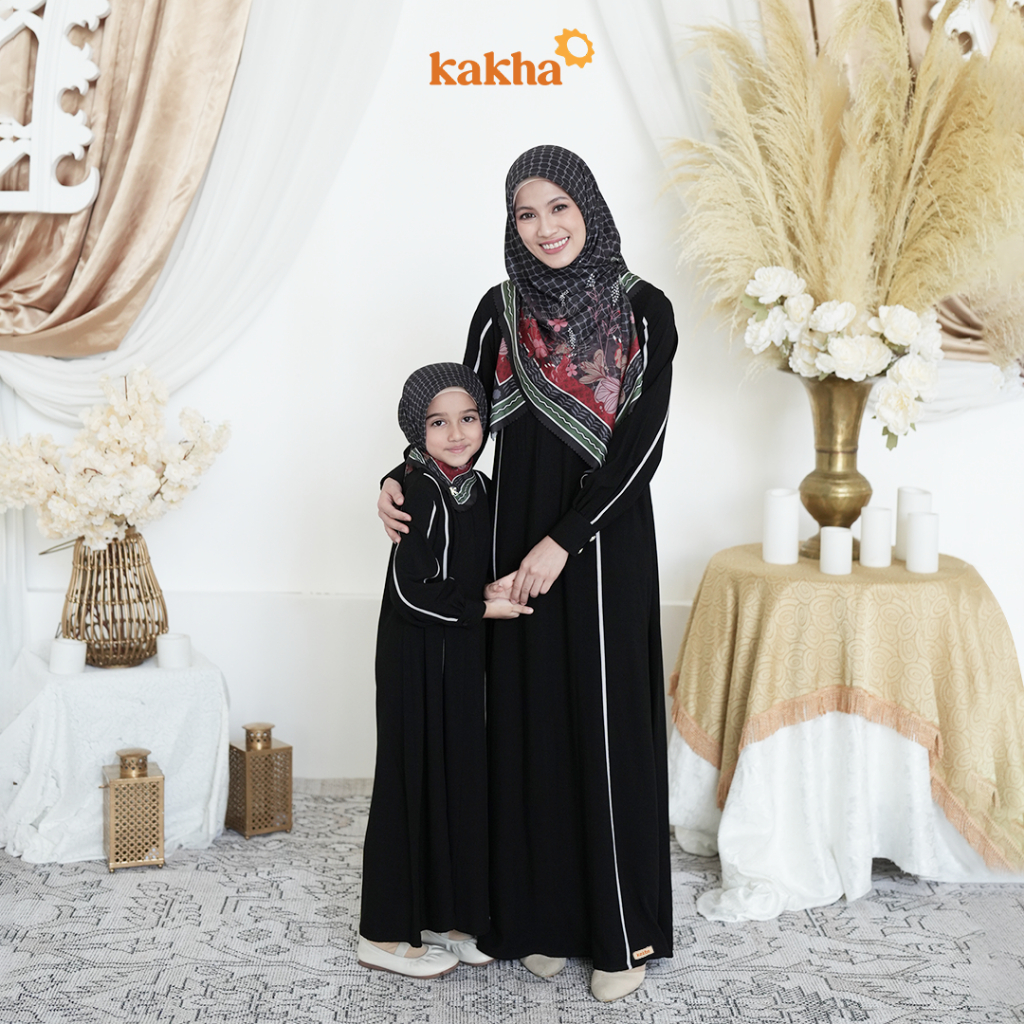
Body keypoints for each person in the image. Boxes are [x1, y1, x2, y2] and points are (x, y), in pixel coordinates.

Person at [378, 146, 677, 1002]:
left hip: (603, 540)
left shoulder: (644, 309)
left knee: (604, 723)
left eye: (559, 208)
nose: (544, 228)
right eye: (526, 213)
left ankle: (620, 935)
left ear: (589, 208)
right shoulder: (500, 310)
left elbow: (643, 444)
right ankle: (542, 919)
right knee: (526, 721)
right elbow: (458, 421)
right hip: (509, 539)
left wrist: (564, 541)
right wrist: (400, 477)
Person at [359, 362, 531, 979]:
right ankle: (382, 933)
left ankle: (449, 917)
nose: (457, 434)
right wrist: (482, 606)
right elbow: (411, 591)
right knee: (411, 782)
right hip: (415, 658)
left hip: (457, 656)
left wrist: (486, 595)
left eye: (469, 418)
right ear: (416, 429)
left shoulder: (476, 486)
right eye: (438, 422)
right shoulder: (419, 489)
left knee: (458, 780)